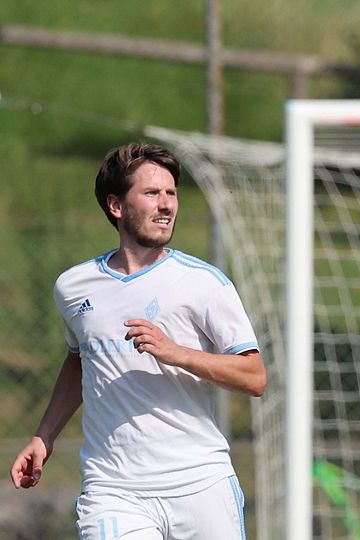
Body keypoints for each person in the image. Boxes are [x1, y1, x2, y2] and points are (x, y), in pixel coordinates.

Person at [9, 142, 267, 539]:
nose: (166, 205)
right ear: (116, 205)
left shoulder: (204, 283)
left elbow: (254, 376)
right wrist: (44, 436)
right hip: (113, 490)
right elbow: (81, 359)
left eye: (171, 193)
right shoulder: (74, 287)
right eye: (151, 193)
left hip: (200, 486)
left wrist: (176, 353)